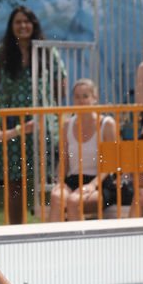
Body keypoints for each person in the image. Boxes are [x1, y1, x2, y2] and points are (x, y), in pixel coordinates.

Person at [0, 5, 53, 224]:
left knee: (46, 178)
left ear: (34, 25)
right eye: (18, 22)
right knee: (14, 182)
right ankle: (15, 229)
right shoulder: (1, 53)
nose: (23, 26)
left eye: (27, 21)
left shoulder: (46, 51)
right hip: (11, 123)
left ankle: (47, 229)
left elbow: (60, 81)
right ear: (11, 26)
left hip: (42, 125)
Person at [45, 79, 120, 221]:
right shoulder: (67, 124)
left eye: (85, 96)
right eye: (77, 97)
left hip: (100, 182)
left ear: (95, 98)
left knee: (74, 201)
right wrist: (60, 182)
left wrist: (92, 185)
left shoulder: (107, 124)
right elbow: (64, 159)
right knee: (56, 197)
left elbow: (111, 163)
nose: (81, 101)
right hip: (74, 180)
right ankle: (52, 241)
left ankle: (79, 242)